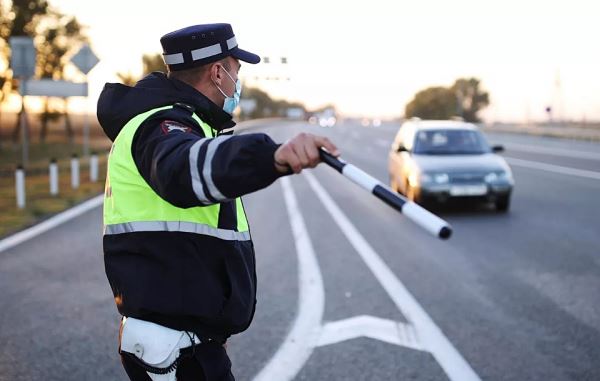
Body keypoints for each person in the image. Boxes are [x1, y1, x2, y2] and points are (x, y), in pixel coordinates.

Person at [97, 23, 339, 381]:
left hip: (187, 341)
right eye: (237, 71)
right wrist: (271, 156)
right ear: (217, 71)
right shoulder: (162, 126)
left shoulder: (187, 124)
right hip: (174, 348)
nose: (238, 82)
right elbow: (183, 169)